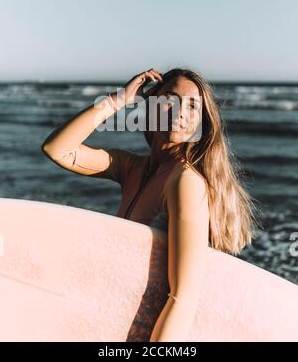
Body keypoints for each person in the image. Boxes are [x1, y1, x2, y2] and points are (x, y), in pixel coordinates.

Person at [41, 67, 257, 342]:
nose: (180, 112)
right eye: (170, 100)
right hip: (121, 316)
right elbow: (57, 149)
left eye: (192, 106)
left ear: (201, 120)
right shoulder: (131, 168)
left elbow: (183, 298)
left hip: (155, 331)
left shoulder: (184, 182)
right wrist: (118, 99)